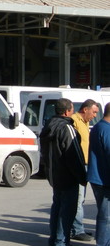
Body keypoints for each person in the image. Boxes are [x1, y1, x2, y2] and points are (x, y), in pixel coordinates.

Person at [40, 98, 87, 246]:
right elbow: (74, 154)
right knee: (66, 212)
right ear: (67, 111)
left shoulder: (48, 126)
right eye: (72, 109)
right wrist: (82, 176)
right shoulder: (66, 128)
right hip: (67, 177)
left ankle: (55, 239)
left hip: (55, 175)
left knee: (57, 208)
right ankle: (60, 241)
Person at [70, 99, 99, 241]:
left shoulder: (85, 122)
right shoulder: (74, 121)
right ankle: (77, 230)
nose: (94, 115)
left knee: (80, 199)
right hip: (79, 164)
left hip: (86, 164)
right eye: (93, 112)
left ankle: (77, 226)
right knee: (78, 198)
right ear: (85, 109)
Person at [87, 102, 110, 246]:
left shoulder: (98, 126)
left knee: (104, 214)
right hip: (104, 179)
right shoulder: (106, 129)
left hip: (98, 177)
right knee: (106, 216)